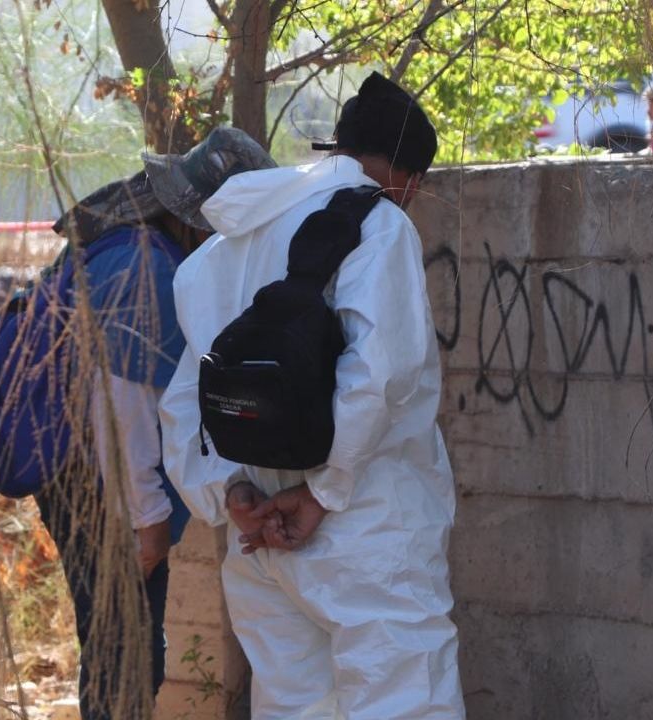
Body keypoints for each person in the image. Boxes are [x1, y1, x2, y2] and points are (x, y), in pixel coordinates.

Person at [159, 72, 465, 719]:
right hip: (368, 532)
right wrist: (324, 494)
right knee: (403, 701)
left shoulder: (226, 246)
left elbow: (187, 394)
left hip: (260, 541)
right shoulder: (381, 225)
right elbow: (379, 374)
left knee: (293, 707)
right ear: (411, 179)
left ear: (340, 148)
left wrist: (229, 497)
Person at [39, 127, 274, 719]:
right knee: (126, 664)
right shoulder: (150, 271)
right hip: (104, 493)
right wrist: (146, 522)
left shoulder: (135, 250)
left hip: (89, 481)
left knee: (122, 655)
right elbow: (121, 408)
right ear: (204, 217)